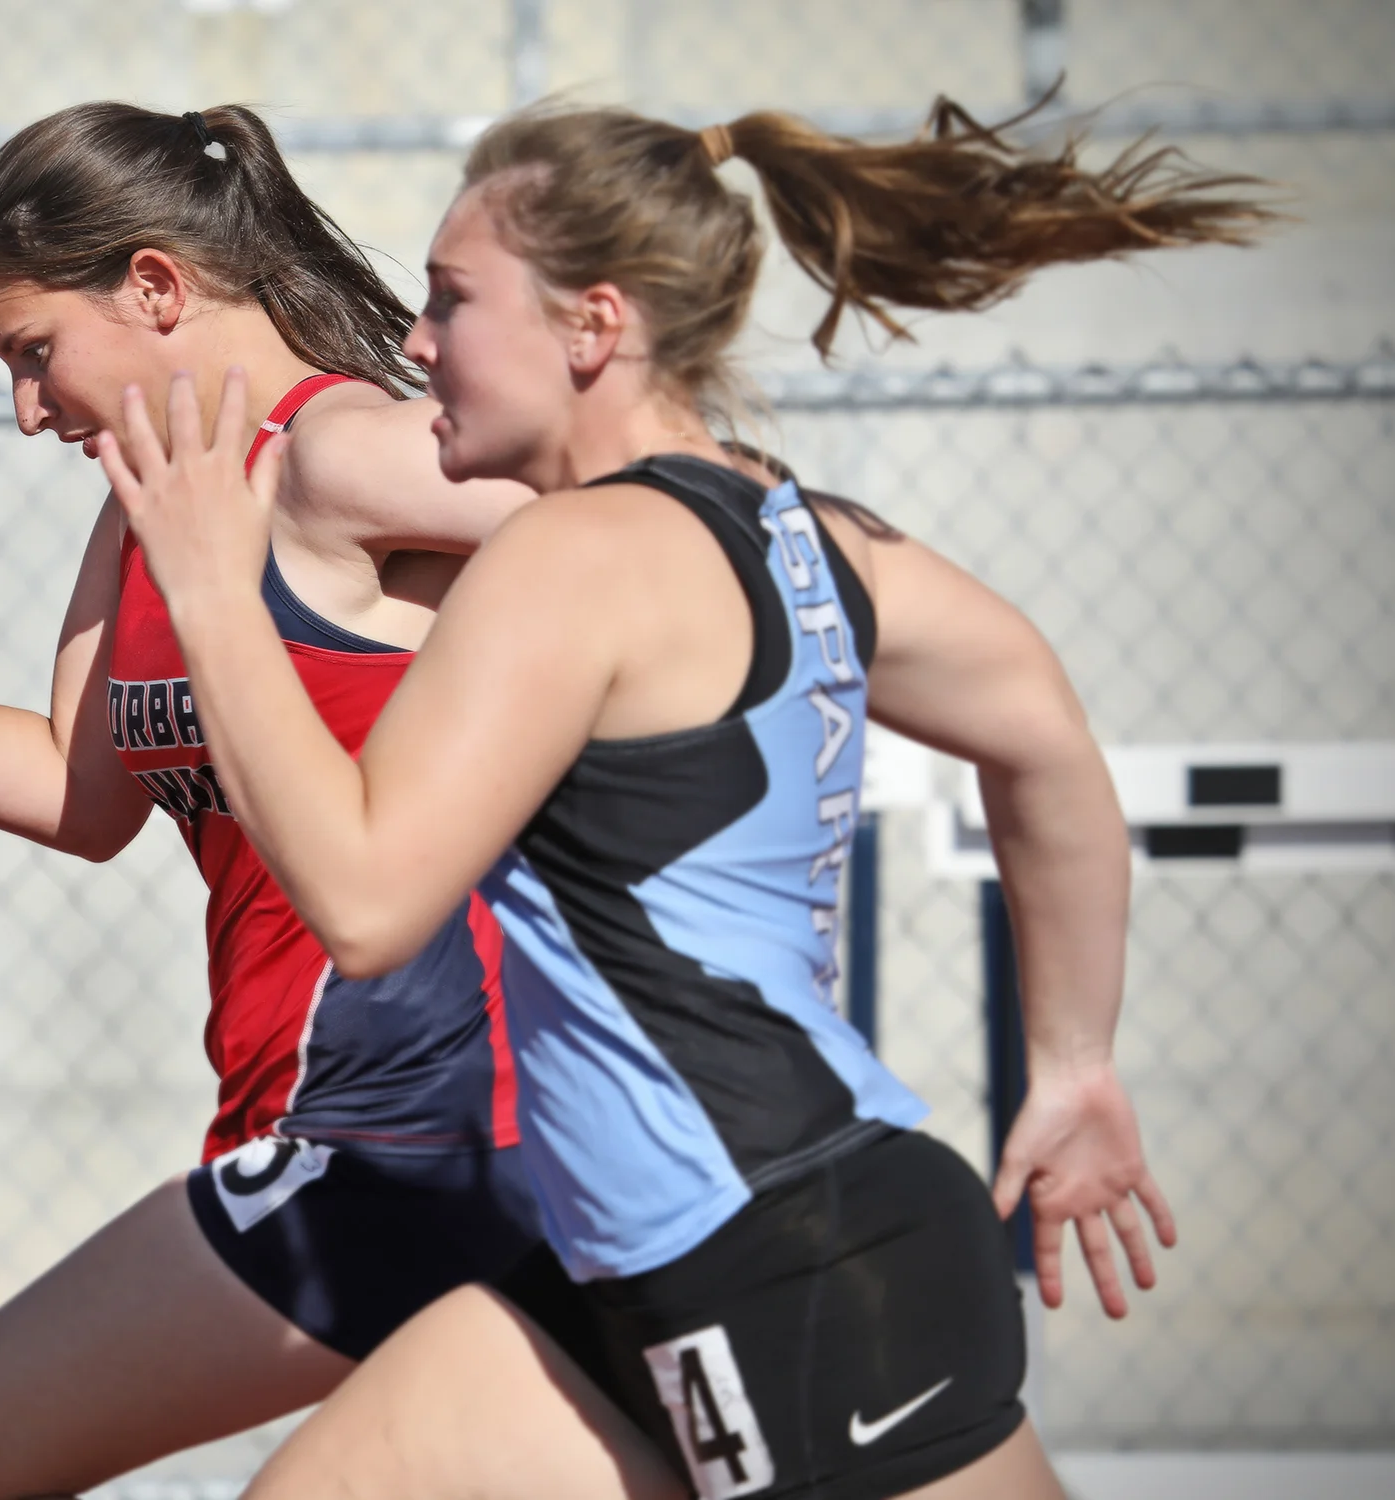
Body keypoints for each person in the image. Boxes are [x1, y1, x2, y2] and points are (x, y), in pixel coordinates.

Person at [101, 99, 1273, 1499]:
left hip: (783, 1261)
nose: (415, 344)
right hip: (644, 1260)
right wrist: (1072, 1061)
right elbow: (1044, 739)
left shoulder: (574, 558)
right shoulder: (803, 527)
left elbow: (362, 902)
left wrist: (213, 595)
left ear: (590, 328)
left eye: (453, 302)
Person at [0, 102, 542, 1500]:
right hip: (300, 1114)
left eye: (34, 354)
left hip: (426, 1123)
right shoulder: (145, 513)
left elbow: (658, 530)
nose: (27, 408)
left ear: (155, 286)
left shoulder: (341, 452)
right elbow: (86, 794)